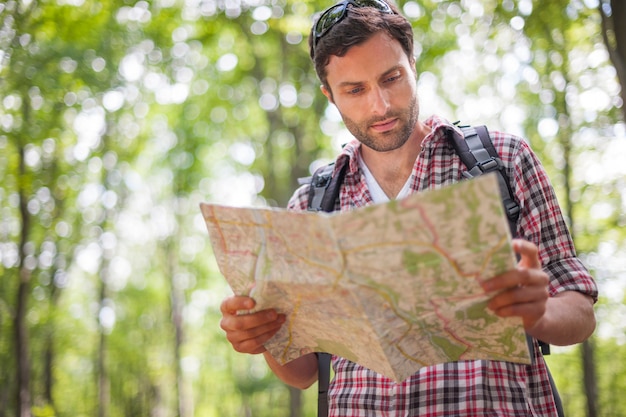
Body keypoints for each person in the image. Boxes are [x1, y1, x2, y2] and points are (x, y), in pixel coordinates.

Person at [219, 0, 598, 415]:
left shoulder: (502, 161)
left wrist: (536, 314)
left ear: (413, 64)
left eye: (391, 78)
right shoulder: (310, 206)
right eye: (355, 90)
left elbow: (579, 311)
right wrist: (265, 339)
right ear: (329, 95)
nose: (379, 105)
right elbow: (305, 371)